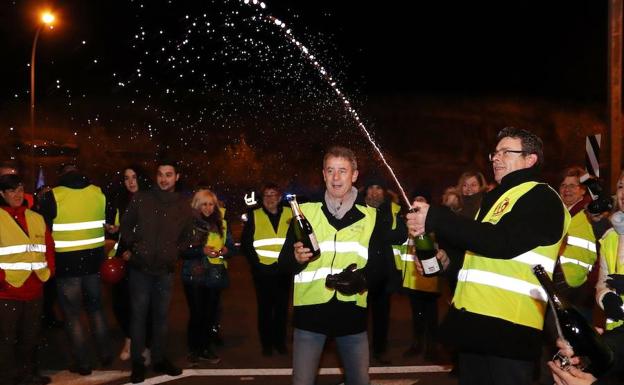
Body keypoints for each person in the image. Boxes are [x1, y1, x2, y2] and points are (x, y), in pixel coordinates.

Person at [406, 127, 570, 385]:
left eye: (506, 152)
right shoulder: (495, 199)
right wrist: (447, 262)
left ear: (530, 159)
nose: (495, 158)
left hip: (510, 328)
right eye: (495, 152)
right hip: (476, 325)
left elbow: (502, 242)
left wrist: (436, 217)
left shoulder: (542, 197)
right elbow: (478, 255)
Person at [278, 146, 406, 385]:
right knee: (302, 382)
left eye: (342, 171)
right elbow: (283, 264)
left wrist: (362, 279)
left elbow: (381, 266)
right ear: (323, 175)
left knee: (359, 381)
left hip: (351, 316)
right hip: (310, 316)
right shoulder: (304, 212)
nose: (336, 177)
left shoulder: (371, 216)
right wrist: (295, 259)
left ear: (354, 175)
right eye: (331, 171)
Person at [119, 159, 194, 383]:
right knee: (139, 318)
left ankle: (160, 359)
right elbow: (125, 224)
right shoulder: (142, 198)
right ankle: (137, 363)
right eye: (160, 174)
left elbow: (189, 235)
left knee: (161, 318)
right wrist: (134, 246)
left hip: (165, 271)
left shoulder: (182, 204)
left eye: (169, 174)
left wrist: (174, 251)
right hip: (140, 269)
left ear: (177, 177)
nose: (164, 179)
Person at [37, 164, 112, 375]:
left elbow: (43, 227)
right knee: (96, 309)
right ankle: (105, 354)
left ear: (61, 176)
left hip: (66, 264)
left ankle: (83, 362)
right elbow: (106, 221)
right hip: (94, 261)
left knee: (72, 315)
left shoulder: (54, 196)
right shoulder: (97, 192)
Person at [0, 174, 55, 385]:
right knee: (6, 339)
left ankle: (28, 375)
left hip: (34, 289)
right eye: (11, 190)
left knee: (30, 338)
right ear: (2, 194)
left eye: (20, 190)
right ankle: (6, 378)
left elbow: (48, 248)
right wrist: (3, 280)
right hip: (8, 291)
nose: (17, 194)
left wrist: (49, 271)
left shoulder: (36, 218)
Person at [181, 189, 236, 365]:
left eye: (211, 204)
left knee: (210, 314)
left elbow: (231, 247)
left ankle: (205, 348)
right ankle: (194, 350)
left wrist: (226, 250)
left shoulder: (222, 223)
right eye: (204, 204)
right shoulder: (189, 223)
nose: (208, 208)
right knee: (197, 314)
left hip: (215, 274)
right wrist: (201, 250)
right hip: (194, 274)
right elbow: (182, 250)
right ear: (197, 204)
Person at [104, 166, 152, 363]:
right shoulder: (122, 201)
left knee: (143, 305)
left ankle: (146, 346)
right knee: (120, 303)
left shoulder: (152, 201)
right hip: (122, 258)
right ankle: (130, 338)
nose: (131, 182)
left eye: (134, 177)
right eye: (126, 178)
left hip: (144, 260)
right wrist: (113, 231)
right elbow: (121, 231)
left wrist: (136, 252)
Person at [241, 183, 292, 356]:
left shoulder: (289, 213)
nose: (270, 198)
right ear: (262, 199)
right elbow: (246, 245)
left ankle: (280, 343)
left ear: (279, 197)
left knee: (281, 310)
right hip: (262, 272)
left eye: (273, 195)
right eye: (266, 195)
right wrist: (257, 265)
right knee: (265, 309)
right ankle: (267, 344)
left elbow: (296, 238)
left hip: (283, 271)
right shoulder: (254, 215)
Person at [399, 191, 448, 361]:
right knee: (417, 317)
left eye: (422, 202)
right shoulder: (406, 225)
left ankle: (432, 347)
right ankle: (417, 344)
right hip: (413, 280)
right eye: (415, 202)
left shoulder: (433, 225)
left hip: (430, 280)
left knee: (431, 317)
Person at [363, 175, 403, 365]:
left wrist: (380, 235)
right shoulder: (359, 209)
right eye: (371, 188)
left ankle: (380, 350)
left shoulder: (394, 209)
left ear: (385, 191)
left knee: (381, 316)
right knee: (358, 316)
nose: (374, 192)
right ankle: (358, 353)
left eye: (378, 188)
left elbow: (402, 234)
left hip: (385, 273)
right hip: (362, 271)